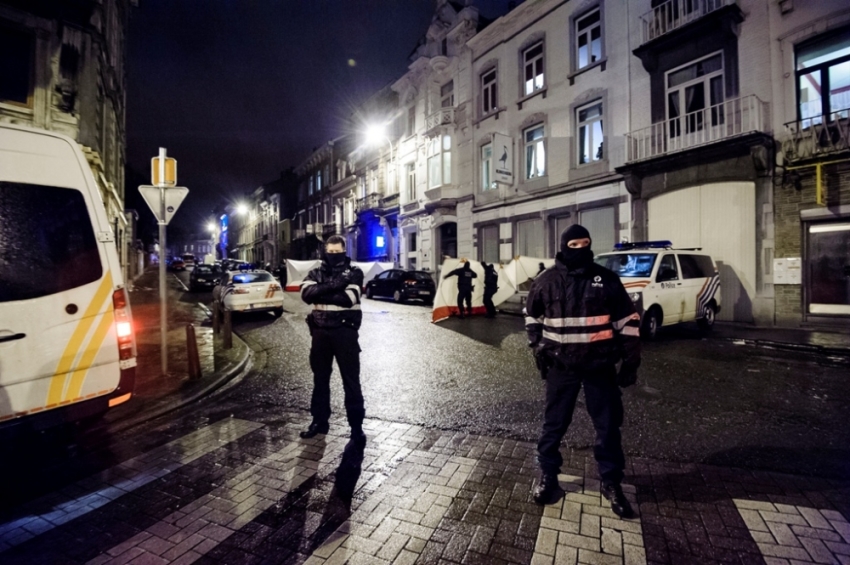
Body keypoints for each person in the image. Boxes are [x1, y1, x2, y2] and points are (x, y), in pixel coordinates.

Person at [525, 224, 641, 517]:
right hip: (561, 367)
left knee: (607, 427)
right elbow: (531, 315)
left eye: (585, 244)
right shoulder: (546, 280)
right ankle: (549, 477)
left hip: (599, 367)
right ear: (564, 246)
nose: (580, 250)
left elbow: (628, 320)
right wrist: (538, 345)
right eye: (574, 245)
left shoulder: (606, 279)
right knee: (553, 425)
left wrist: (630, 362)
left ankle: (611, 481)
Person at [300, 235, 367, 446]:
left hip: (345, 333)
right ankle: (319, 422)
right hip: (320, 333)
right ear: (325, 250)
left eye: (338, 252)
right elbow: (306, 294)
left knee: (351, 382)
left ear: (344, 251)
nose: (334, 255)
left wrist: (322, 290)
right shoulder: (315, 272)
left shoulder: (355, 272)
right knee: (320, 381)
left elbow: (348, 299)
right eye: (331, 252)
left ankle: (356, 427)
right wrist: (337, 284)